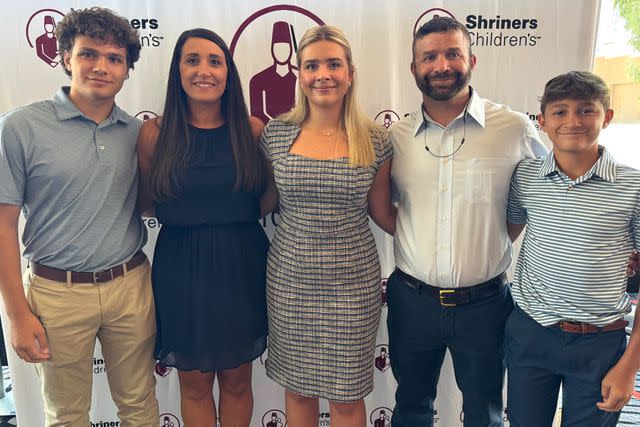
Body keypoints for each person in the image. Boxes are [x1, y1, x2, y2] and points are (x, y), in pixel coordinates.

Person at [0, 7, 158, 426]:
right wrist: (16, 313)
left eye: (114, 58)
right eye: (89, 54)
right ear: (66, 56)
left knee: (140, 405)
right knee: (67, 414)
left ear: (127, 70)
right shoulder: (19, 128)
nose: (101, 67)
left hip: (130, 285)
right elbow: (2, 225)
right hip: (56, 294)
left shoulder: (135, 133)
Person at [386, 17, 546, 427]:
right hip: (411, 301)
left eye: (452, 53)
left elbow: (543, 198)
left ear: (471, 59)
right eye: (430, 57)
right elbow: (382, 207)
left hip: (485, 305)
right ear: (414, 69)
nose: (442, 65)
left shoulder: (513, 128)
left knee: (485, 413)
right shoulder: (395, 137)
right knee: (411, 409)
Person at [260, 25, 395, 427]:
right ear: (299, 73)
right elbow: (262, 203)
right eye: (312, 65)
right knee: (297, 390)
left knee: (347, 397)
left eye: (334, 64)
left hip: (353, 285)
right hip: (289, 280)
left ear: (350, 72)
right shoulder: (276, 134)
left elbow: (383, 213)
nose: (323, 74)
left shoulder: (375, 138)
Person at [136, 28, 271, 426]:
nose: (204, 70)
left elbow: (266, 201)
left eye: (215, 61)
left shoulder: (252, 130)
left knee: (236, 381)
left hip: (241, 265)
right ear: (177, 70)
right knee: (193, 386)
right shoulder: (155, 134)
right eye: (192, 60)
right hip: (181, 268)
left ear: (229, 73)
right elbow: (147, 202)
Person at [505, 71, 640, 427]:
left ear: (607, 117)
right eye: (560, 112)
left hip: (600, 343)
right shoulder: (526, 177)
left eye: (586, 110)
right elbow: (506, 232)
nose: (573, 121)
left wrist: (630, 366)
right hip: (532, 332)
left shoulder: (633, 187)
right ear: (543, 122)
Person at [249, 21, 298, 124]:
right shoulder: (258, 80)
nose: (281, 52)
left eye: (285, 47)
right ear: (272, 49)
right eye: (278, 47)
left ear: (290, 49)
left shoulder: (301, 77)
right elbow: (257, 117)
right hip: (267, 136)